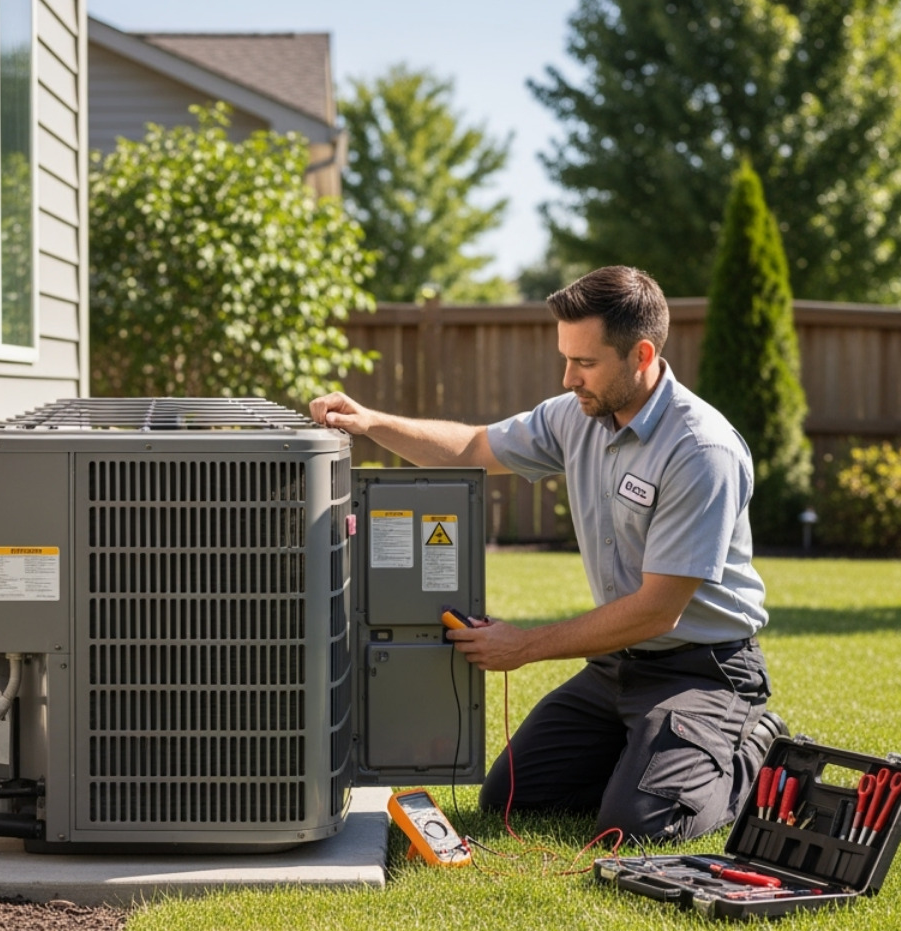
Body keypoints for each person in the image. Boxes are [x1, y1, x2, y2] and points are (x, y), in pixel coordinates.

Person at [309, 266, 784, 842]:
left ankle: (751, 742)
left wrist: (526, 646)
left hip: (702, 670)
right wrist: (372, 422)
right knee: (513, 797)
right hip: (617, 665)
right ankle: (650, 756)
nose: (567, 378)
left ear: (641, 355)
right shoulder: (577, 417)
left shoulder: (699, 450)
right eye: (566, 358)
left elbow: (660, 611)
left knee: (638, 826)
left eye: (584, 363)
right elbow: (474, 447)